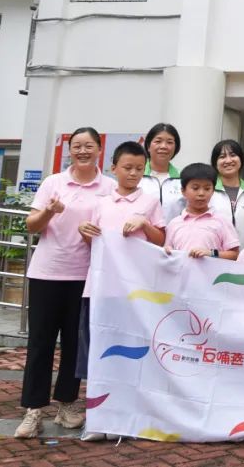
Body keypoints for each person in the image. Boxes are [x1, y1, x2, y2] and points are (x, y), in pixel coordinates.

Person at [14, 128, 116, 439]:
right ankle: (33, 411)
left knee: (75, 345)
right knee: (40, 344)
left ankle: (67, 405)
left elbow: (111, 229)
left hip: (86, 277)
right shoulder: (53, 183)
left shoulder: (109, 188)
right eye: (77, 146)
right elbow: (31, 226)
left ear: (100, 149)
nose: (83, 151)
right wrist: (49, 210)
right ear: (69, 150)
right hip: (47, 274)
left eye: (89, 146)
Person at [75, 140, 165, 441]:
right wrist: (84, 232)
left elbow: (161, 241)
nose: (133, 174)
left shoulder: (150, 201)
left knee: (131, 356)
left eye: (140, 169)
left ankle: (128, 417)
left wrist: (145, 224)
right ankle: (97, 418)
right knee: (97, 354)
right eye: (127, 168)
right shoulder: (100, 201)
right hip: (100, 289)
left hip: (134, 292)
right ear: (113, 167)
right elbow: (93, 241)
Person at [163, 164, 240, 260]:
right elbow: (167, 251)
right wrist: (168, 251)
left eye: (207, 188)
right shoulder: (174, 224)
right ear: (183, 191)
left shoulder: (222, 221)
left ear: (213, 191)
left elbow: (234, 254)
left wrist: (211, 253)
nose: (201, 193)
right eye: (195, 188)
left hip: (213, 275)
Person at [208, 139, 244, 249]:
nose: (228, 160)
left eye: (233, 155)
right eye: (222, 157)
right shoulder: (208, 190)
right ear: (215, 163)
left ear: (241, 159)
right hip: (214, 257)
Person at [140, 123, 184, 222]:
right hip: (140, 236)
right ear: (148, 146)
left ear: (176, 147)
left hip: (173, 235)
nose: (163, 146)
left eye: (169, 142)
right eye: (158, 141)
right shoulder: (136, 175)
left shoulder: (183, 178)